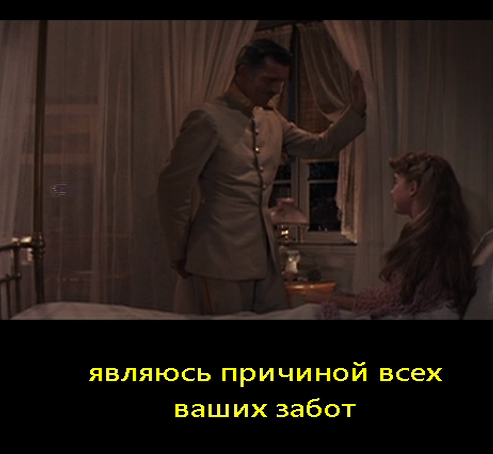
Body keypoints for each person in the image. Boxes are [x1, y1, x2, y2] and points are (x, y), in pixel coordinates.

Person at [157, 38, 367, 315]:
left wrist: (357, 109)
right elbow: (173, 188)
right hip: (216, 256)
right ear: (244, 72)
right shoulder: (208, 118)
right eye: (270, 80)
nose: (276, 89)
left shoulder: (271, 119)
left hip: (264, 258)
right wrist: (178, 251)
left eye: (281, 82)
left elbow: (321, 146)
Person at [304, 151, 475, 319]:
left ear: (412, 188)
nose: (391, 191)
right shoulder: (434, 234)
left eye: (396, 182)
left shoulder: (428, 241)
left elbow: (392, 301)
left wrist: (326, 298)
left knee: (308, 312)